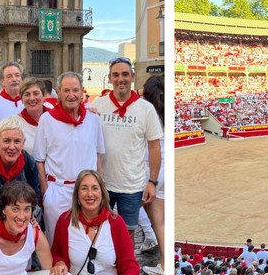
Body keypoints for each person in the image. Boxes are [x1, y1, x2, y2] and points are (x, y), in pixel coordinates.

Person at [91, 58, 162, 240]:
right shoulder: (98, 105)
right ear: (109, 78)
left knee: (128, 233)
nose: (120, 79)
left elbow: (154, 147)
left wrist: (152, 182)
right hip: (102, 182)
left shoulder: (146, 109)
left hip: (132, 184)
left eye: (124, 74)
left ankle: (126, 268)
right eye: (115, 75)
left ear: (132, 77)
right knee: (98, 230)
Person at [34, 71, 104, 243]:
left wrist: (100, 188)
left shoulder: (93, 119)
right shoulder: (47, 120)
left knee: (85, 241)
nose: (71, 95)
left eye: (75, 90)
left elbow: (98, 156)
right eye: (66, 90)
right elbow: (39, 159)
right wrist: (46, 191)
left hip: (87, 192)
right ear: (58, 92)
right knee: (56, 242)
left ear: (82, 92)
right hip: (57, 190)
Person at [140, 75, 166, 275]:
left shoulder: (146, 112)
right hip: (162, 168)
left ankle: (165, 264)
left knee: (157, 221)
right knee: (161, 221)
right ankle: (164, 263)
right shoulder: (163, 112)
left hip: (152, 170)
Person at [14, 78, 48, 157]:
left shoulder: (54, 119)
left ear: (44, 96)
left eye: (36, 93)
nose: (32, 98)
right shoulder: (14, 123)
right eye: (27, 94)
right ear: (21, 99)